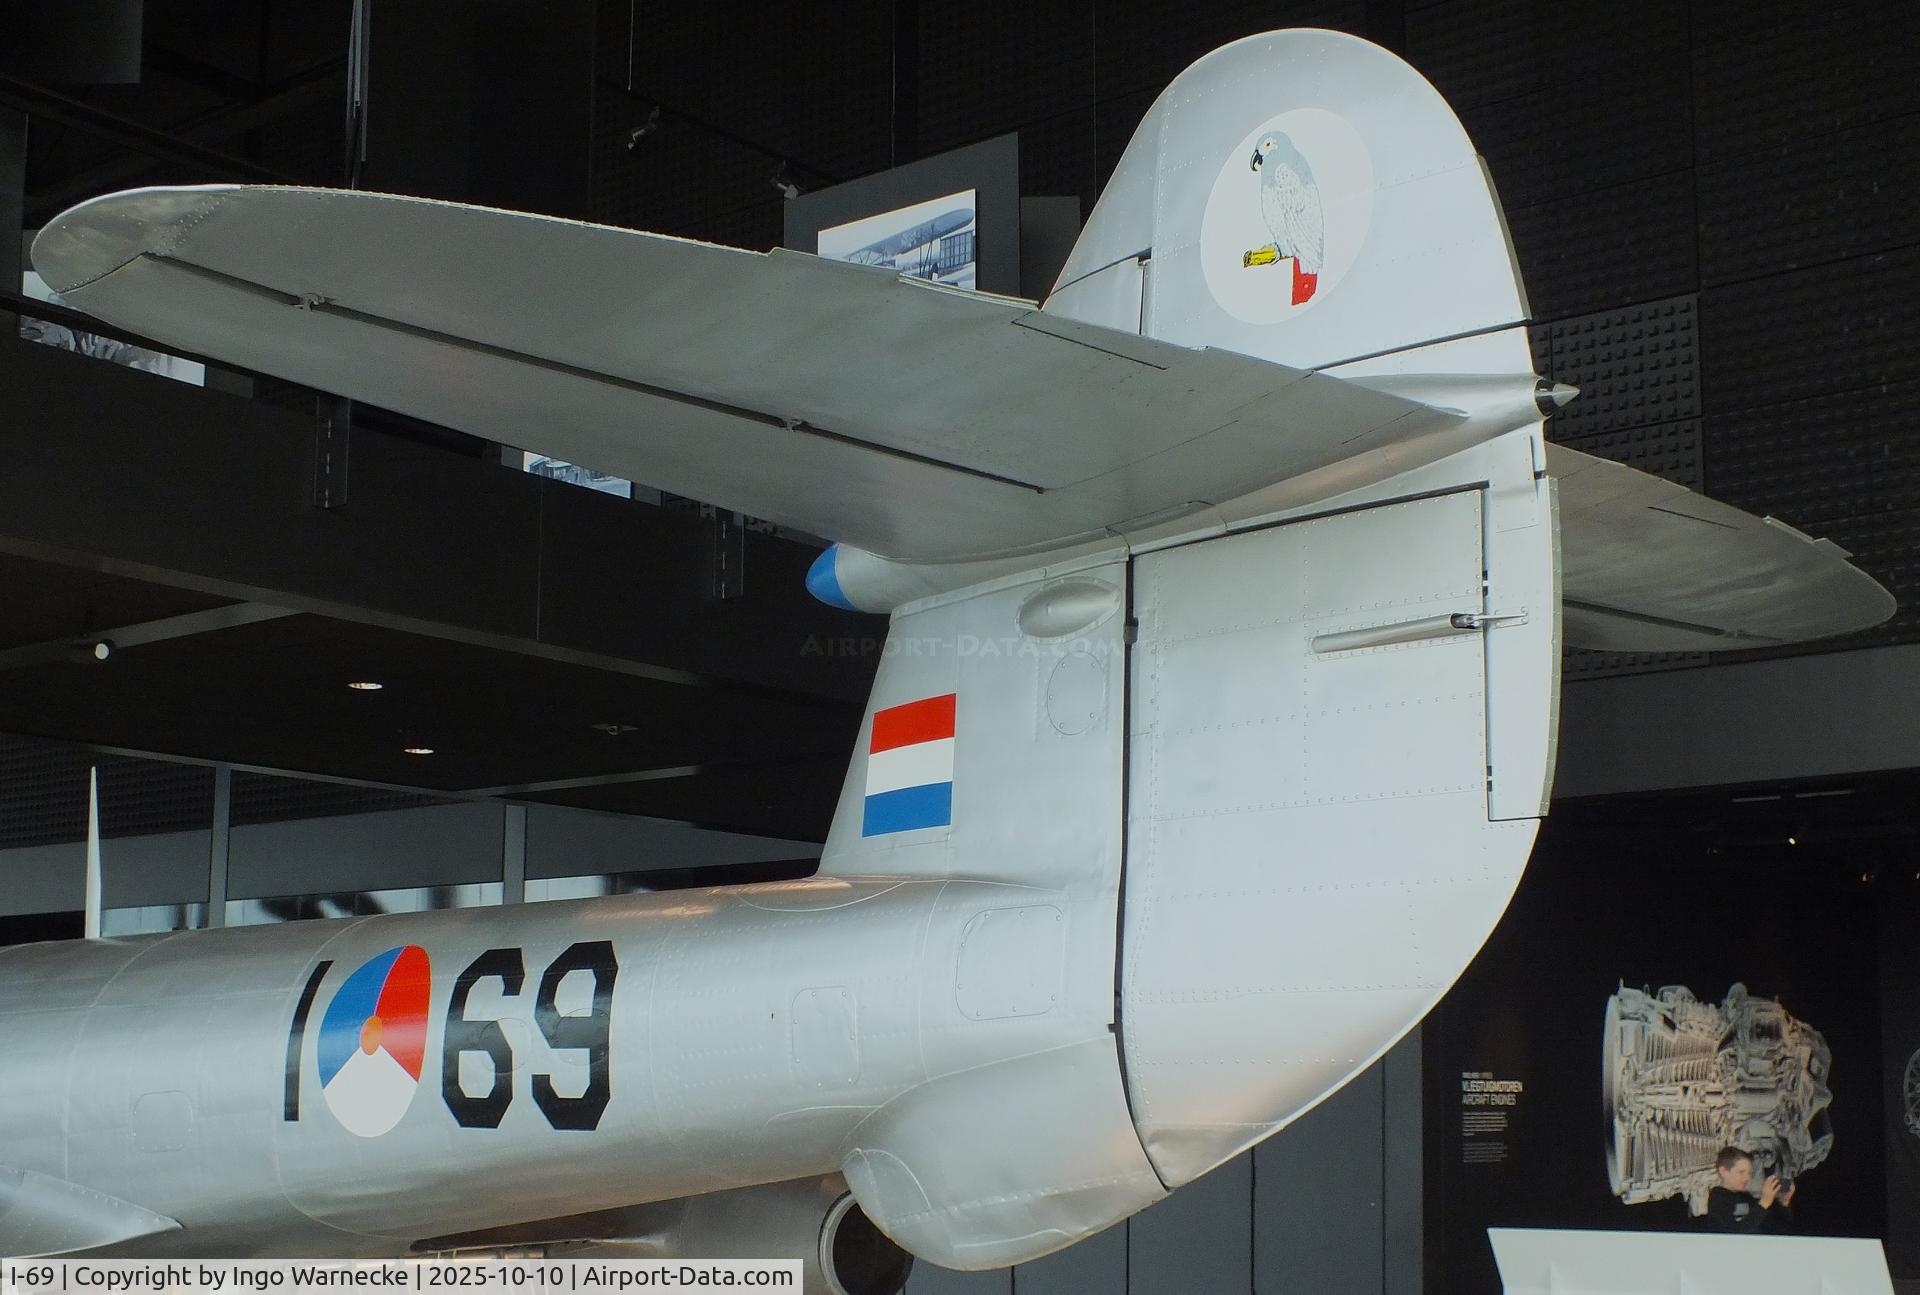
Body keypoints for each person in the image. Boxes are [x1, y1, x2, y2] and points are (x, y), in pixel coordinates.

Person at [1704, 1146, 1796, 1232]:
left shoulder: (1746, 1197)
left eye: (1749, 1173)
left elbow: (1779, 1227)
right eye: (1741, 1172)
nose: (1747, 1178)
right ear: (1723, 1171)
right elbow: (1732, 1234)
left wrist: (1784, 1203)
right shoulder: (1718, 1197)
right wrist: (1763, 1204)